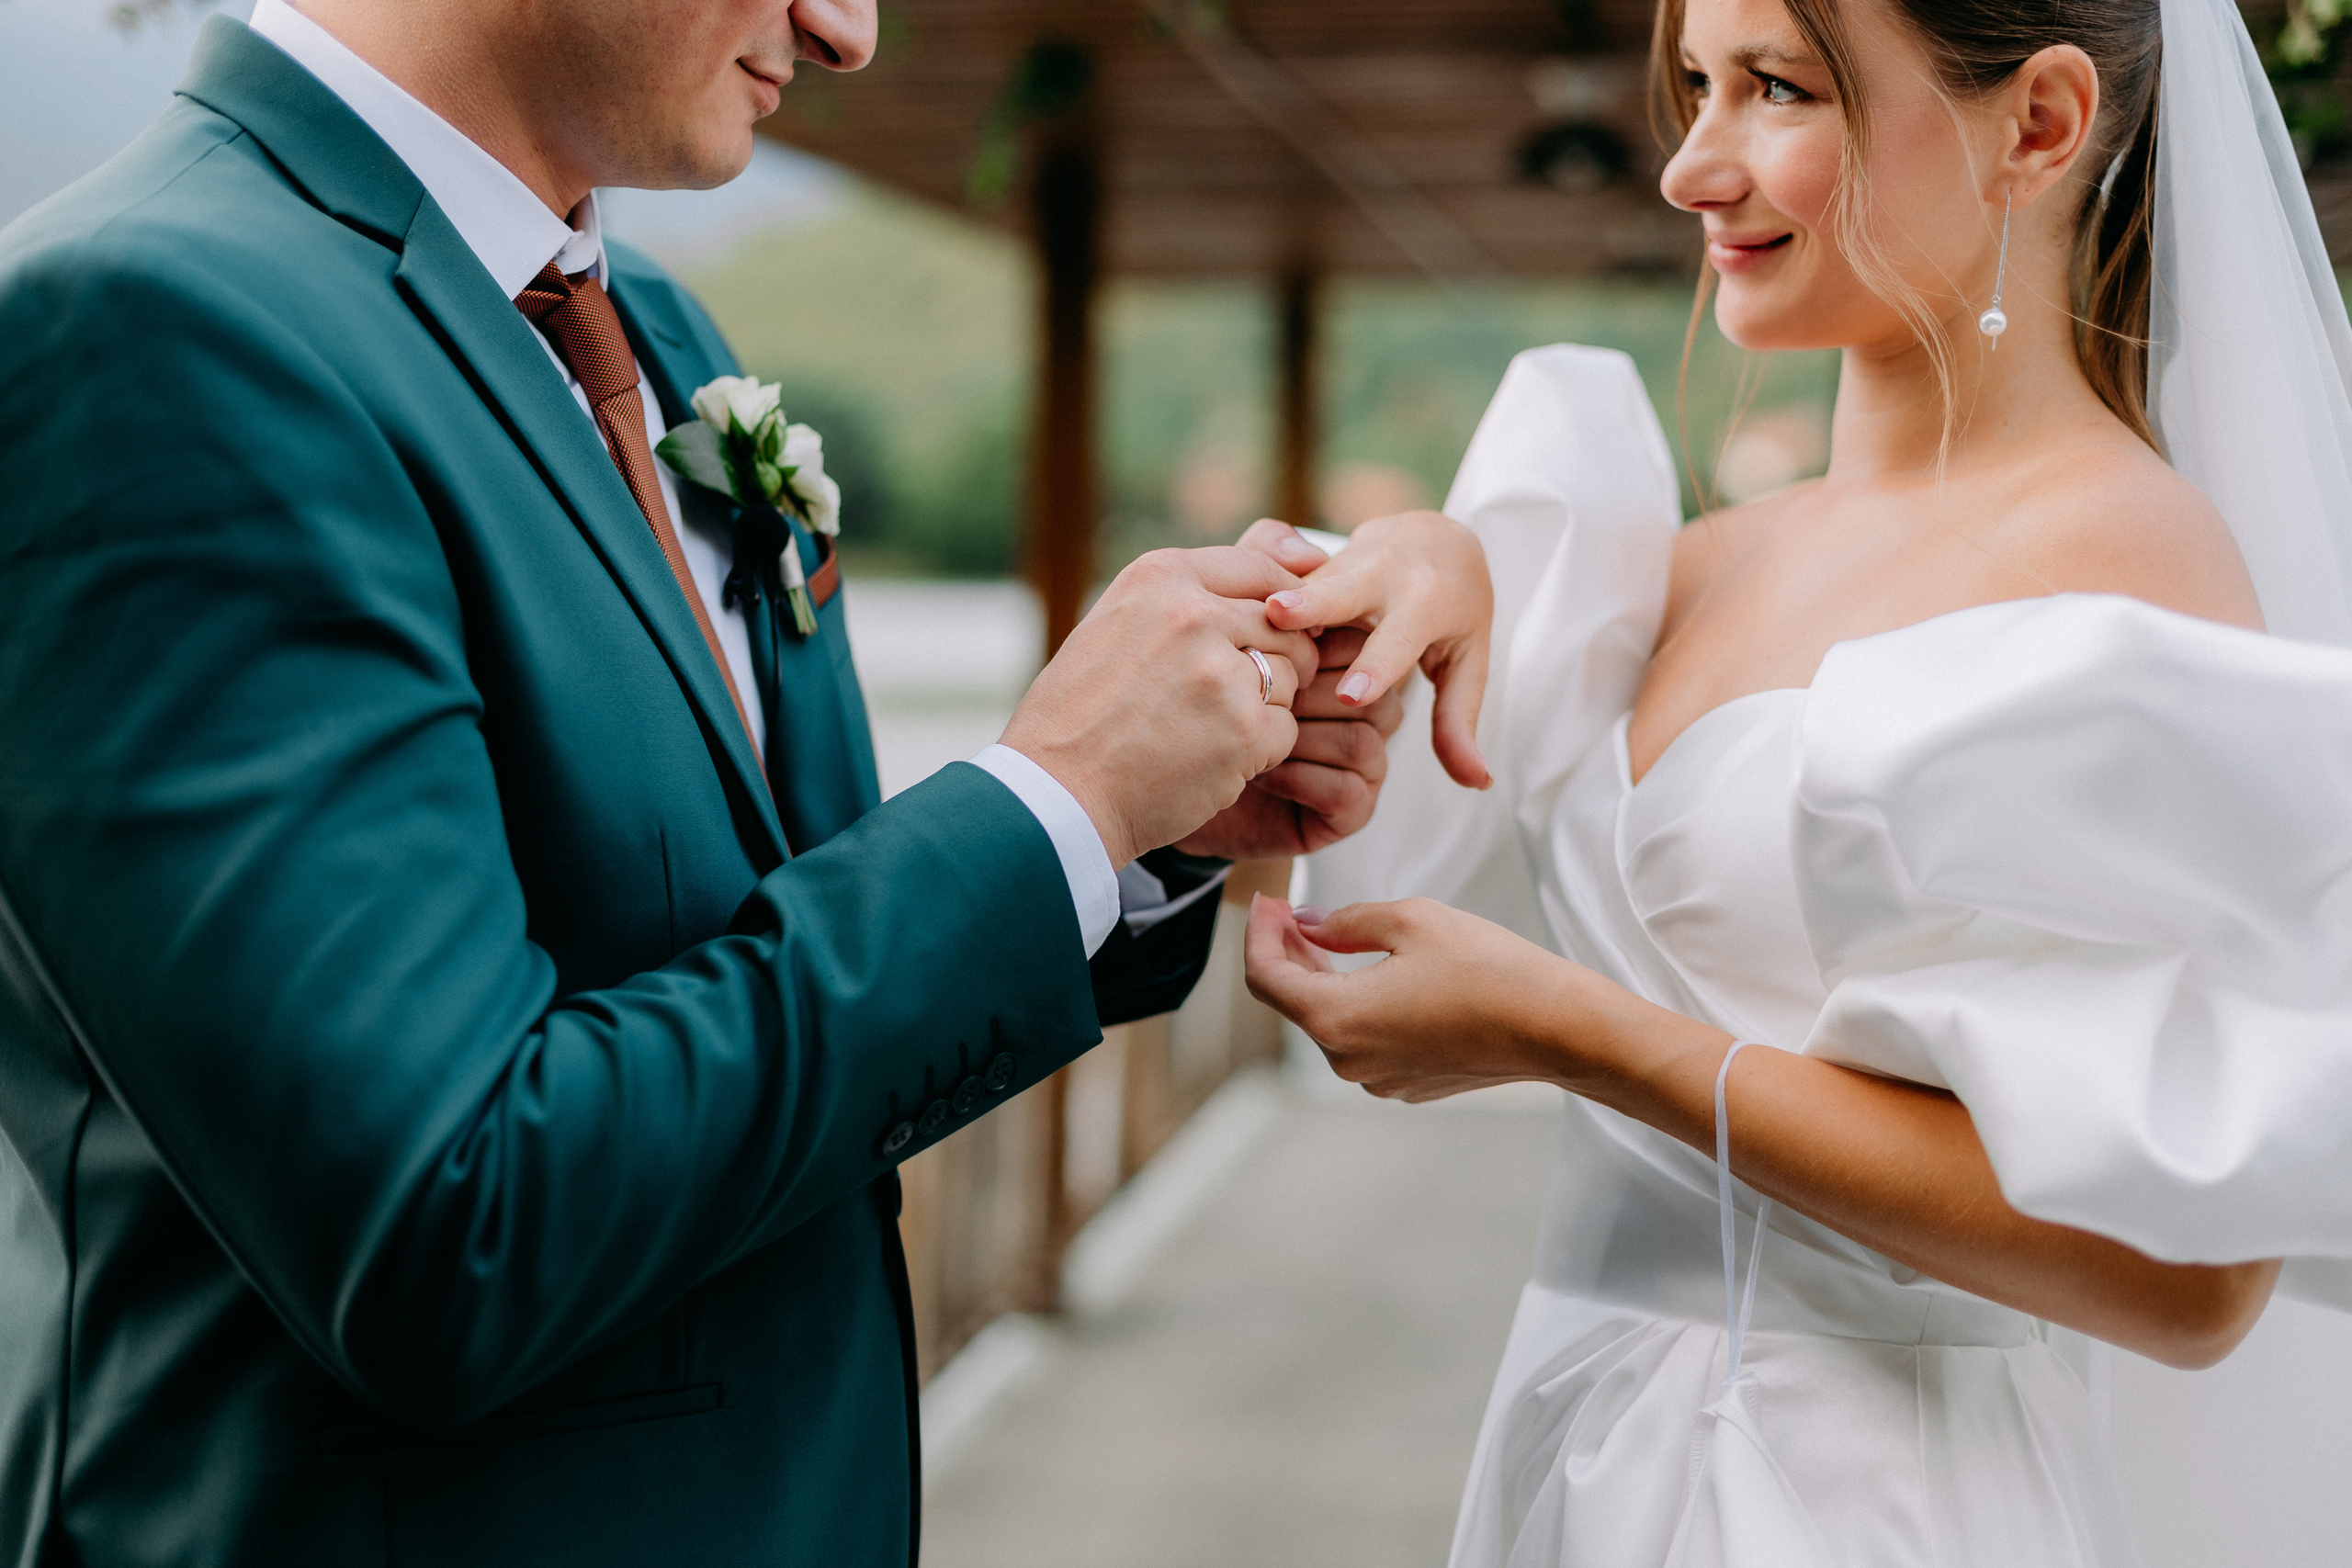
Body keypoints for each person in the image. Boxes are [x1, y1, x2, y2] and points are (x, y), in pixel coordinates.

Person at [0, 0, 1419, 1562]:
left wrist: (1131, 833)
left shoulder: (651, 326)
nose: (848, 31)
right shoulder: (149, 322)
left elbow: (756, 950)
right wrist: (1052, 802)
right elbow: (442, 1227)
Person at [1239, 0, 2352, 1560]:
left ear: (2034, 125)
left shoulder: (2119, 559)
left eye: (1777, 90)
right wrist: (1435, 571)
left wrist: (1564, 1031)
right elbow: (1391, 870)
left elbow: (2185, 1278)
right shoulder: (1685, 566)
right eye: (1696, 86)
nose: (1695, 166)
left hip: (1873, 1500)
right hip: (1584, 1453)